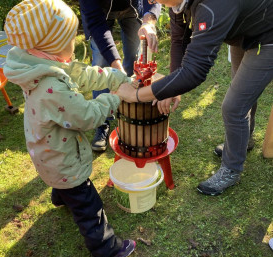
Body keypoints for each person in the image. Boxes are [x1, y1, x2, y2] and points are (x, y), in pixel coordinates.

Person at [3, 0, 136, 257]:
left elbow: (83, 74)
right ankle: (105, 247)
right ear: (51, 47)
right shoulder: (50, 87)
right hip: (62, 160)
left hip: (47, 151)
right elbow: (87, 117)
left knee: (63, 182)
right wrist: (115, 96)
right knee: (88, 205)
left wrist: (117, 78)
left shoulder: (37, 65)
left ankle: (61, 197)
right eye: (70, 41)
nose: (74, 45)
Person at [115, 0, 273, 196]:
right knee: (243, 93)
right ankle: (244, 141)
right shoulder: (178, 3)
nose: (150, 1)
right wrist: (169, 89)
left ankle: (231, 170)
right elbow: (179, 40)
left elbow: (194, 71)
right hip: (245, 29)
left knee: (234, 107)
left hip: (267, 36)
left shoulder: (212, 6)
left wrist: (136, 95)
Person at [168, 8, 257, 158]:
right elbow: (179, 39)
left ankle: (232, 164)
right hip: (239, 32)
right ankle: (244, 139)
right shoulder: (176, 6)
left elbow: (198, 62)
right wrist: (172, 87)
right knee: (240, 89)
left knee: (235, 102)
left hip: (260, 28)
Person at [79, 0, 161, 152]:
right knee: (101, 63)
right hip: (99, 12)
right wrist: (117, 70)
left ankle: (128, 109)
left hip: (131, 7)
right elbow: (96, 24)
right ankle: (102, 121)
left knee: (133, 56)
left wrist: (148, 21)